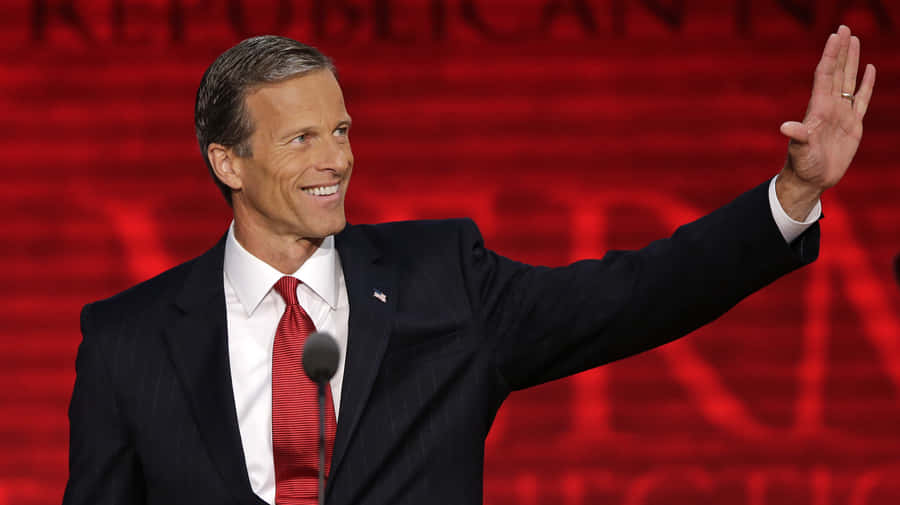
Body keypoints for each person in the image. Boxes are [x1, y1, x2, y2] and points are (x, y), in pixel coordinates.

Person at [62, 25, 875, 505]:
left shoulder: (442, 281)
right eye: (301, 138)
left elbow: (633, 294)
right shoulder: (126, 340)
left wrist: (792, 193)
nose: (334, 160)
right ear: (227, 162)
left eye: (341, 130)